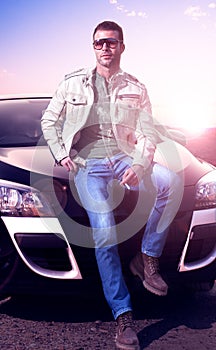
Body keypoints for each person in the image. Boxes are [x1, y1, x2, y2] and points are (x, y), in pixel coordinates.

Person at [41, 20, 181, 350]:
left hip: (124, 158)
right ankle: (123, 314)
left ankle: (147, 258)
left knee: (171, 183)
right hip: (88, 166)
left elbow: (147, 132)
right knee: (103, 227)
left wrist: (139, 162)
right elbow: (50, 120)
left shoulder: (136, 87)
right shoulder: (72, 83)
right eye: (100, 43)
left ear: (122, 46)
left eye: (112, 42)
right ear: (93, 47)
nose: (106, 47)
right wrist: (61, 153)